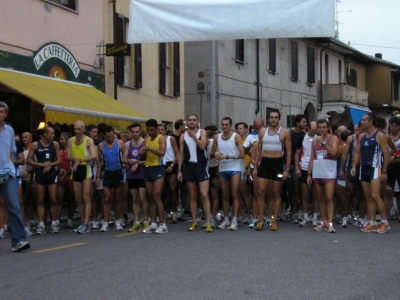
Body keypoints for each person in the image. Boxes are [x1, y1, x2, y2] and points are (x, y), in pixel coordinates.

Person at [351, 113, 390, 233]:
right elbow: (357, 152)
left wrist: (384, 171)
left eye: (364, 120)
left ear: (371, 122)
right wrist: (353, 166)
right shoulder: (362, 136)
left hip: (375, 168)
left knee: (375, 195)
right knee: (367, 197)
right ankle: (372, 221)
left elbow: (386, 154)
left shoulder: (380, 136)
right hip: (364, 168)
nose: (361, 122)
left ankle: (384, 221)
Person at [253, 109, 292, 231]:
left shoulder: (284, 132)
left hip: (277, 163)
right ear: (268, 119)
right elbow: (259, 149)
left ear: (279, 119)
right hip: (264, 162)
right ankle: (261, 219)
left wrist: (287, 169)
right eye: (271, 117)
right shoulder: (263, 132)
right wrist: (255, 167)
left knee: (276, 192)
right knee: (260, 191)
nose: (273, 119)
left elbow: (289, 151)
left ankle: (274, 220)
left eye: (276, 117)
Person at [0, 101, 30, 252]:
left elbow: (12, 151)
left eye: (1, 112)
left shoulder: (10, 130)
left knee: (14, 205)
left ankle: (18, 240)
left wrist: (11, 167)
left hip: (7, 173)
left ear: (6, 114)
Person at [178, 114, 213, 232]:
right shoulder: (182, 136)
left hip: (201, 165)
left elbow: (202, 146)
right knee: (192, 195)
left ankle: (208, 222)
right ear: (187, 122)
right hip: (189, 166)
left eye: (194, 120)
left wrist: (193, 136)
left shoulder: (202, 132)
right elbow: (181, 154)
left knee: (204, 194)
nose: (191, 122)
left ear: (197, 122)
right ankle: (194, 222)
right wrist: (179, 170)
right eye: (189, 120)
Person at [26, 126, 61, 234]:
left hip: (51, 173)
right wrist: (40, 164)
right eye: (51, 133)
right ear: (45, 134)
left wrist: (51, 164)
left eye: (53, 133)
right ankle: (41, 224)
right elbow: (29, 160)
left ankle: (54, 223)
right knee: (40, 200)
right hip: (40, 173)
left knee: (53, 199)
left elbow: (59, 159)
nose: (53, 135)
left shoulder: (55, 144)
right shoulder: (35, 145)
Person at [211, 117, 244, 231]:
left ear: (230, 125)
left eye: (226, 125)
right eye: (223, 124)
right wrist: (216, 154)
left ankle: (234, 220)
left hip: (234, 167)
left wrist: (227, 156)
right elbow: (211, 153)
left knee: (234, 194)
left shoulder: (236, 137)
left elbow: (242, 154)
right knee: (224, 195)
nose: (224, 127)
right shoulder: (217, 137)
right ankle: (226, 219)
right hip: (223, 168)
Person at [307, 119, 338, 233]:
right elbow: (312, 157)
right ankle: (324, 221)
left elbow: (334, 153)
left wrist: (324, 143)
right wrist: (309, 174)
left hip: (329, 172)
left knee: (329, 197)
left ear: (328, 127)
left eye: (324, 127)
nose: (321, 129)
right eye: (319, 127)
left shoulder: (333, 138)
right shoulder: (315, 140)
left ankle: (330, 223)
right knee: (320, 198)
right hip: (317, 172)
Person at [67, 120, 97, 234]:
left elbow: (93, 155)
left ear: (83, 129)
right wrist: (75, 160)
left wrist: (81, 160)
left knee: (86, 196)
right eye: (75, 129)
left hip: (85, 168)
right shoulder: (71, 140)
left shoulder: (88, 140)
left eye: (79, 129)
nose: (76, 131)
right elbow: (68, 156)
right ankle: (83, 220)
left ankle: (86, 223)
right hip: (76, 169)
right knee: (78, 198)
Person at [141, 119, 168, 234]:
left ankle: (163, 224)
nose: (149, 132)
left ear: (156, 129)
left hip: (158, 167)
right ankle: (153, 223)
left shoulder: (161, 138)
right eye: (147, 130)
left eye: (151, 130)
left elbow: (162, 152)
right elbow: (143, 157)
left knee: (157, 195)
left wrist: (149, 149)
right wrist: (143, 152)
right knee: (150, 196)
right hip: (148, 167)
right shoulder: (146, 140)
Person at [96, 126, 125, 231]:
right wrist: (98, 175)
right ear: (104, 136)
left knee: (118, 198)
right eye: (108, 136)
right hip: (107, 172)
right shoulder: (100, 146)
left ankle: (118, 220)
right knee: (107, 198)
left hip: (118, 172)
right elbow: (99, 161)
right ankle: (105, 222)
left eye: (112, 136)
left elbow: (124, 156)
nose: (110, 138)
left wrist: (125, 165)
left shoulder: (120, 143)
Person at [123, 123, 149, 232]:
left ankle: (146, 221)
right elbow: (124, 159)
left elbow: (149, 160)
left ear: (140, 131)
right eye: (132, 132)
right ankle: (136, 221)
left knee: (143, 198)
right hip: (131, 174)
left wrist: (138, 163)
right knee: (135, 199)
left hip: (142, 173)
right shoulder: (128, 144)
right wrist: (130, 161)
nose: (134, 134)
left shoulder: (145, 142)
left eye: (137, 132)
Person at [295, 121, 318, 227]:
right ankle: (305, 217)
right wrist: (296, 168)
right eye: (312, 130)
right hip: (304, 167)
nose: (314, 133)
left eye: (315, 131)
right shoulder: (302, 138)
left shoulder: (319, 138)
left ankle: (315, 217)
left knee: (315, 194)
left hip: (316, 168)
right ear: (308, 128)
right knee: (304, 193)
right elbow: (297, 153)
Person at [285, 114, 306, 223]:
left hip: (298, 165)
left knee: (296, 189)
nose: (305, 123)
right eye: (303, 121)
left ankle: (294, 211)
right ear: (297, 123)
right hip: (288, 164)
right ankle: (288, 209)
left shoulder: (305, 136)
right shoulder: (290, 134)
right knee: (287, 188)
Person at [243, 118, 264, 228]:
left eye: (260, 127)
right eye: (256, 128)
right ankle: (255, 218)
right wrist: (253, 154)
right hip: (254, 166)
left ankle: (269, 217)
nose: (258, 129)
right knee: (256, 193)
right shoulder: (251, 137)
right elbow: (244, 149)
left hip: (266, 166)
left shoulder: (268, 135)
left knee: (266, 193)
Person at [235, 122, 252, 223]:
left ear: (246, 129)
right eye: (238, 128)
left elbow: (251, 154)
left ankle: (249, 214)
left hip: (245, 168)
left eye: (241, 128)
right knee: (236, 193)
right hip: (236, 167)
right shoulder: (235, 140)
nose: (239, 130)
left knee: (245, 193)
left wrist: (248, 165)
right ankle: (239, 214)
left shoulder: (248, 140)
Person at [58, 132, 75, 228]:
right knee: (59, 199)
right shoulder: (60, 152)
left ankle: (70, 219)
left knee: (71, 199)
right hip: (61, 176)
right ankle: (57, 219)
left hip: (70, 176)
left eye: (62, 139)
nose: (60, 141)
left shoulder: (72, 151)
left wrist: (67, 173)